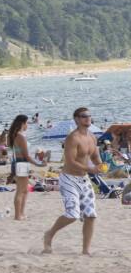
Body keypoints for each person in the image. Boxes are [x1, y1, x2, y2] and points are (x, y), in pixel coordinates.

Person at [43, 107, 101, 256]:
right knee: (72, 214)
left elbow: (95, 157)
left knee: (91, 215)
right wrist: (91, 169)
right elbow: (70, 161)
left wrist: (100, 165)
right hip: (69, 179)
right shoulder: (72, 138)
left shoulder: (92, 137)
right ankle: (49, 234)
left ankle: (85, 250)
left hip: (84, 179)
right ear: (76, 119)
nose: (87, 118)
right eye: (83, 116)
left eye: (88, 115)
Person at [7, 114, 30, 220]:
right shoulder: (20, 136)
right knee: (21, 190)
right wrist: (39, 163)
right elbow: (26, 155)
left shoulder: (13, 135)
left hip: (17, 162)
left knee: (23, 190)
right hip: (22, 163)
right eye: (27, 123)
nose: (27, 125)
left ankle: (21, 213)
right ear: (23, 123)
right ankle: (18, 215)